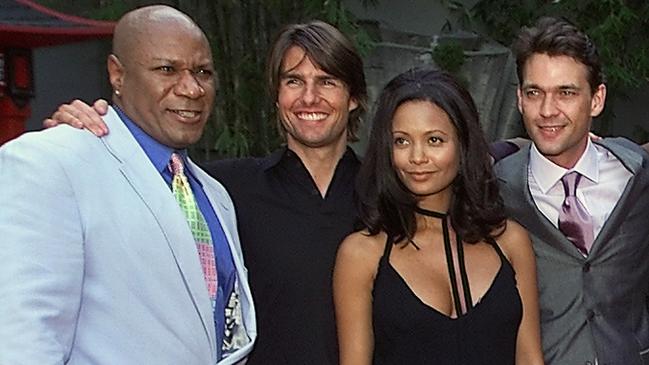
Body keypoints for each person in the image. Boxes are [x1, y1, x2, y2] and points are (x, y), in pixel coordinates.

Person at [42, 20, 367, 364]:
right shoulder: (216, 192)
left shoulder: (390, 196)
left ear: (354, 97)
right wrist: (85, 133)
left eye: (327, 81)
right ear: (276, 94)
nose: (309, 97)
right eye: (294, 81)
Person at [0, 5, 255, 364]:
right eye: (167, 69)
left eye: (203, 72)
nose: (192, 89)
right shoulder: (51, 164)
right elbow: (22, 339)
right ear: (117, 75)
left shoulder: (214, 195)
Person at [334, 68, 543, 364]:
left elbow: (530, 359)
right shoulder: (362, 254)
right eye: (402, 141)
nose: (417, 157)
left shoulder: (511, 242)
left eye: (434, 140)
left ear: (463, 143)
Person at [494, 16, 649, 365]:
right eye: (534, 93)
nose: (548, 111)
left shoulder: (637, 174)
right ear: (519, 99)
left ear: (596, 100)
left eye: (566, 93)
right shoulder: (494, 189)